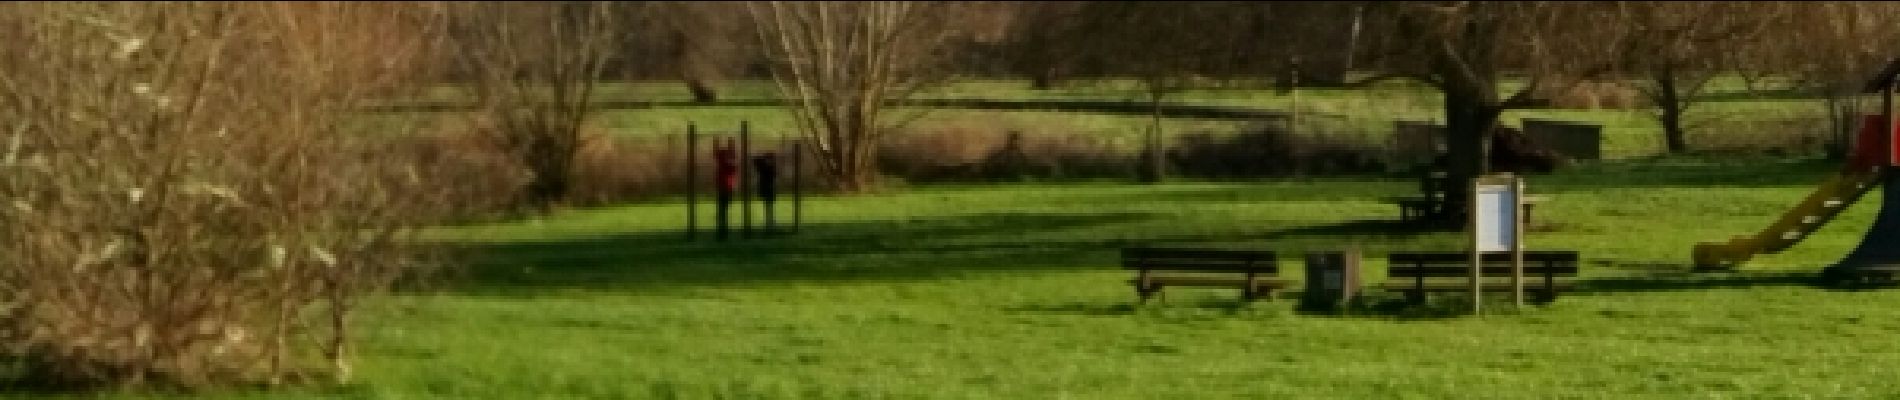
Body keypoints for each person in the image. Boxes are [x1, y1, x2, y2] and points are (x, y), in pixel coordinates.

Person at [714, 138, 739, 240]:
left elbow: (716, 150)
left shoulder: (726, 160)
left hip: (726, 187)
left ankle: (723, 229)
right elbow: (716, 150)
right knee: (723, 209)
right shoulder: (729, 160)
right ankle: (723, 229)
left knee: (723, 209)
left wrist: (717, 139)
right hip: (725, 187)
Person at [752, 152, 779, 233]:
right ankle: (769, 221)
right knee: (768, 205)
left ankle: (770, 221)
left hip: (768, 188)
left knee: (769, 205)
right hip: (766, 188)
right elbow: (755, 160)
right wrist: (764, 159)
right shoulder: (764, 166)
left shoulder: (767, 166)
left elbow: (774, 175)